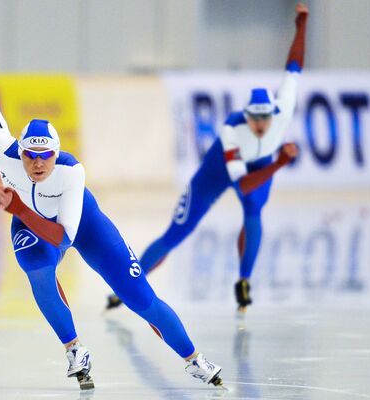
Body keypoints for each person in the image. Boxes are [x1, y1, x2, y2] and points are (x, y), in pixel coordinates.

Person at [0, 27, 223, 390]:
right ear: (20, 153)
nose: (36, 163)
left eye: (44, 156)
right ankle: (74, 350)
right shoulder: (4, 151)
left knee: (139, 298)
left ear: (55, 153)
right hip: (27, 219)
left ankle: (193, 359)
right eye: (30, 156)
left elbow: (60, 237)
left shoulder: (70, 173)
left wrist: (18, 206)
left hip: (82, 223)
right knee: (36, 267)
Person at [106, 3, 308, 313]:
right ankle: (130, 284)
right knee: (176, 234)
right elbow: (243, 183)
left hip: (261, 164)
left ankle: (243, 280)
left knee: (253, 214)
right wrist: (280, 162)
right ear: (247, 116)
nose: (261, 126)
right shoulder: (232, 131)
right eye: (255, 120)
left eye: (265, 119)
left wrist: (301, 25)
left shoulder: (282, 111)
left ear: (272, 114)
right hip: (218, 172)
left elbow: (293, 66)